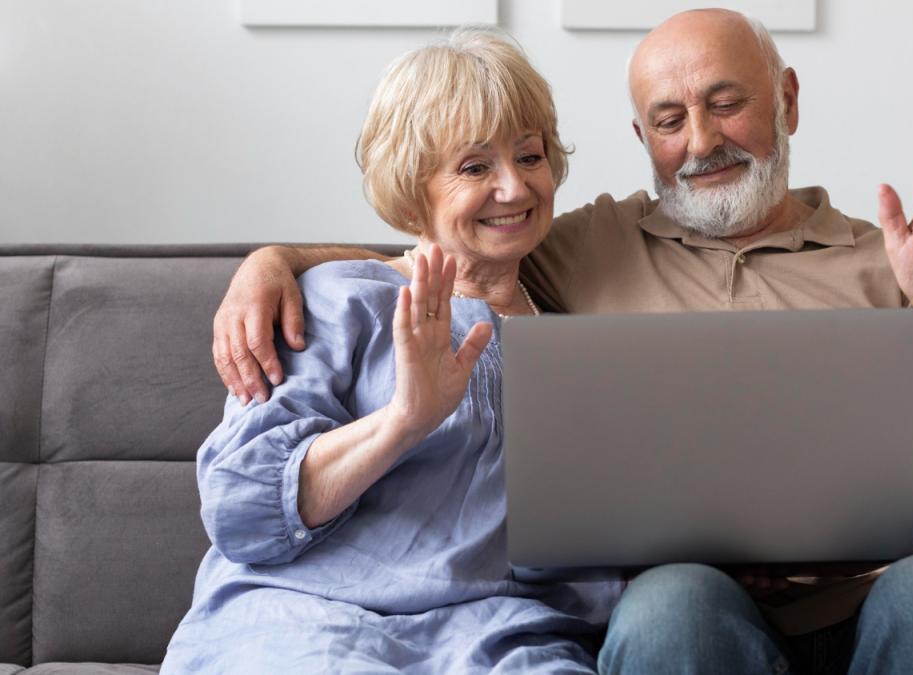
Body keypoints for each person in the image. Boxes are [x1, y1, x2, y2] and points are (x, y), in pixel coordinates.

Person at [211, 9, 913, 674]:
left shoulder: (896, 258)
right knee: (671, 602)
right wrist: (274, 260)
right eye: (670, 119)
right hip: (701, 613)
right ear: (642, 141)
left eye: (727, 102)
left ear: (787, 98)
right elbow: (451, 250)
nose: (702, 141)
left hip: (887, 593)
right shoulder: (584, 246)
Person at [162, 29, 623, 674]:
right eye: (474, 167)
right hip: (307, 618)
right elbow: (244, 512)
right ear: (415, 188)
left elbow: (597, 563)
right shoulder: (335, 301)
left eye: (530, 156)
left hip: (500, 636)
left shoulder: (579, 337)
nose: (515, 189)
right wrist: (403, 420)